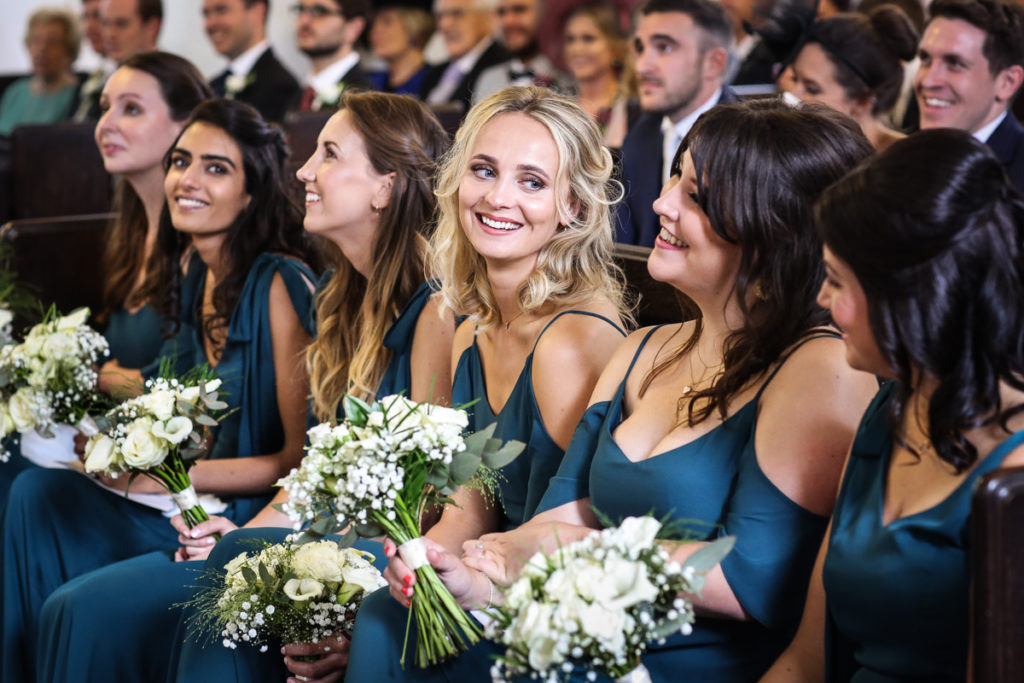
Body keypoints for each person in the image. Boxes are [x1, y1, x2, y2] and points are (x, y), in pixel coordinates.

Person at [412, 99, 882, 681]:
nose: (660, 204)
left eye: (696, 197)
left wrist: (572, 554)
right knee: (403, 619)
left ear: (771, 230)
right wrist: (480, 575)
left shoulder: (820, 368)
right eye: (674, 178)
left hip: (694, 657)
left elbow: (746, 580)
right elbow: (560, 513)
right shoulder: (645, 347)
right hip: (579, 627)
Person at [36, 92, 456, 683]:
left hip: (373, 557)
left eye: (329, 154)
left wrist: (266, 548)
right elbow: (315, 472)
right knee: (76, 603)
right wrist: (240, 533)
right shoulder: (344, 298)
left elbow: (423, 501)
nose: (305, 170)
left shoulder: (435, 310)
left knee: (106, 604)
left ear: (385, 186)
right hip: (307, 534)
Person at [1, 98, 323, 683]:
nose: (187, 180)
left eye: (215, 168)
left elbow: (294, 459)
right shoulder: (193, 273)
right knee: (37, 494)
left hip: (239, 517)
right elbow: (169, 401)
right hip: (175, 501)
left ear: (251, 193)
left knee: (71, 580)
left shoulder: (280, 282)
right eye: (180, 162)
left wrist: (161, 477)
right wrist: (114, 446)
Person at [344, 85, 630, 681]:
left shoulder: (572, 341)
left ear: (572, 205)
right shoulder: (471, 329)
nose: (498, 197)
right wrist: (421, 563)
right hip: (487, 573)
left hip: (555, 605)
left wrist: (465, 579)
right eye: (483, 170)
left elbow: (593, 522)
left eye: (531, 181)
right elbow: (470, 507)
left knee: (374, 619)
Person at [761, 129, 1024, 683]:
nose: (820, 300)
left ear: (911, 295)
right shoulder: (888, 412)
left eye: (836, 281)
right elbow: (806, 663)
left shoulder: (1014, 475)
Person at [0, 52, 211, 502]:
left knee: (33, 489)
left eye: (131, 109)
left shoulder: (201, 247)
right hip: (109, 442)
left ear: (186, 126)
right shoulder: (128, 233)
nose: (105, 124)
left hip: (168, 480)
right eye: (104, 107)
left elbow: (201, 391)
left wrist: (102, 379)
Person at [616, 0, 737, 247]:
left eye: (664, 47)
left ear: (713, 63)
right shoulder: (642, 131)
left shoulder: (745, 142)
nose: (642, 66)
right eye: (639, 48)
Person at [914, 0, 1024, 189]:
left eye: (955, 63)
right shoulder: (899, 155)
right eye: (925, 58)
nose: (928, 81)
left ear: (1008, 83)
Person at [785, 7, 918, 150]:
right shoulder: (802, 149)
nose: (793, 95)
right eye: (794, 79)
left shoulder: (905, 161)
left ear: (863, 100)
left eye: (812, 89)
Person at [205, 0, 301, 124]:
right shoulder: (211, 85)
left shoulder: (282, 87)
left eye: (222, 10)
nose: (210, 23)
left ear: (258, 11)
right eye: (206, 14)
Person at [562, 1, 638, 150]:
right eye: (570, 39)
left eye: (588, 38)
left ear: (615, 47)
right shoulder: (559, 102)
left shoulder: (633, 107)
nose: (576, 49)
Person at [0, 8, 81, 137]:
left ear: (69, 50)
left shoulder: (79, 95)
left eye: (52, 42)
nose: (42, 49)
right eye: (36, 39)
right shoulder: (14, 91)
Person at [421, 0, 511, 111]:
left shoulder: (504, 66)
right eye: (440, 16)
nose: (444, 24)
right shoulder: (434, 72)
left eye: (457, 13)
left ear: (489, 19)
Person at [473, 0, 564, 103]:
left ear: (545, 14)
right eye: (501, 12)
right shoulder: (488, 79)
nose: (508, 21)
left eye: (519, 10)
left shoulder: (569, 78)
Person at [292, 0, 373, 112]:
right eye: (301, 9)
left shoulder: (363, 101)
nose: (304, 20)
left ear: (353, 28)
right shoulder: (295, 93)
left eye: (319, 11)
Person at [368, 0, 436, 95]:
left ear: (415, 26)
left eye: (387, 22)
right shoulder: (370, 83)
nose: (375, 31)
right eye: (373, 24)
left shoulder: (434, 81)